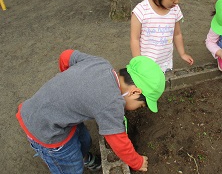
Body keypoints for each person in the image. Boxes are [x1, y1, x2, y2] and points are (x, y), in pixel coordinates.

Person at [16, 49, 165, 173]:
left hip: (47, 112)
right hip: (47, 131)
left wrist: (70, 85)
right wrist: (137, 162)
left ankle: (83, 156)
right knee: (71, 167)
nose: (136, 109)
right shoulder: (111, 102)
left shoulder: (101, 64)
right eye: (140, 106)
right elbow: (118, 142)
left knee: (84, 140)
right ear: (134, 92)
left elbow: (66, 56)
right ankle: (75, 162)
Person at [130, 0, 194, 73]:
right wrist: (138, 63)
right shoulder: (141, 11)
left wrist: (182, 53)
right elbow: (135, 39)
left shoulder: (175, 10)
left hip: (165, 62)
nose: (177, 1)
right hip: (146, 64)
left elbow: (177, 34)